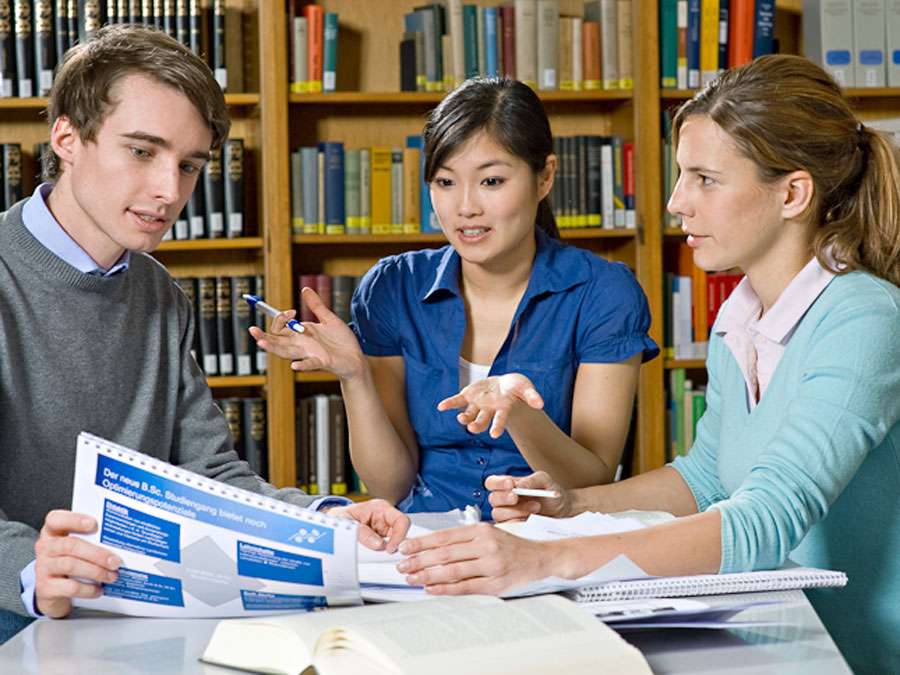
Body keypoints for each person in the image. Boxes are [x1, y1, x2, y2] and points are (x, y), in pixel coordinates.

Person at [394, 55, 900, 673]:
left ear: (792, 193)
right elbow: (707, 480)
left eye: (705, 179)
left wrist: (546, 560)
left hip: (862, 652)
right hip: (774, 637)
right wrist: (576, 506)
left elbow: (764, 520)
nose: (677, 202)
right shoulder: (740, 318)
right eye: (681, 175)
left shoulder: (863, 317)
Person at [0, 25, 409, 644]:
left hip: (123, 614)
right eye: (142, 151)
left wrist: (326, 520)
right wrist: (32, 568)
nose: (170, 192)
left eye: (190, 165)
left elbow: (211, 474)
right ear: (67, 139)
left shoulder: (161, 293)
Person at [252, 76, 658, 516]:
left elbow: (591, 479)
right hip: (423, 540)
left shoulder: (603, 293)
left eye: (492, 181)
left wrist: (518, 415)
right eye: (445, 182)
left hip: (544, 541)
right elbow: (391, 485)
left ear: (545, 177)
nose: (466, 208)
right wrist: (355, 377)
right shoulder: (392, 288)